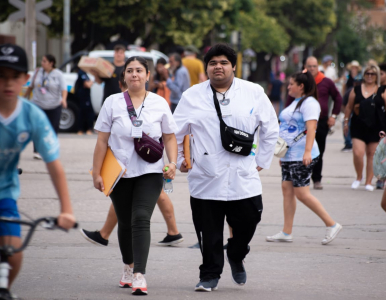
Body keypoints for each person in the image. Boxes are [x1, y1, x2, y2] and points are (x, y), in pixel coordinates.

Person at [174, 43, 279, 292]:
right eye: (212, 63)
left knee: (250, 220)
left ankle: (236, 253)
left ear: (233, 66)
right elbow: (174, 133)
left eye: (223, 62)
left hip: (244, 175)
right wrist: (180, 160)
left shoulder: (253, 92)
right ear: (206, 68)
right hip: (206, 176)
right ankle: (209, 275)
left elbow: (270, 128)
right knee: (208, 232)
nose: (217, 67)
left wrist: (261, 161)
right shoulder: (192, 96)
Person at [0, 44, 76, 295]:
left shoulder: (32, 115)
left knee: (13, 256)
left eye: (15, 76)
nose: (8, 83)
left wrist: (66, 210)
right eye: (0, 75)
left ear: (26, 80)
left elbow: (54, 164)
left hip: (3, 195)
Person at [92, 56, 178, 295]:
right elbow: (101, 141)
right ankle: (128, 267)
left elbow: (170, 137)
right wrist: (97, 173)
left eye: (139, 70)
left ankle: (140, 273)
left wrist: (172, 162)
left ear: (148, 75)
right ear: (124, 76)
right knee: (125, 221)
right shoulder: (112, 103)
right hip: (119, 173)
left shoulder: (160, 103)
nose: (134, 75)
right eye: (129, 71)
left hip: (150, 171)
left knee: (141, 217)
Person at [266, 69, 342, 245]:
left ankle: (332, 224)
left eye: (292, 84)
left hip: (302, 155)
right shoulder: (296, 102)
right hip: (290, 155)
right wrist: (283, 154)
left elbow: (311, 128)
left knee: (302, 193)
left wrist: (307, 152)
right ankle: (286, 232)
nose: (289, 86)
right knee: (287, 190)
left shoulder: (310, 103)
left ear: (301, 86)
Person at [286, 56, 342, 190]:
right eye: (309, 66)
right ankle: (299, 177)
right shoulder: (300, 82)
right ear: (305, 66)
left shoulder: (326, 81)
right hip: (300, 123)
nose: (312, 68)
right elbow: (290, 98)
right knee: (298, 149)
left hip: (320, 122)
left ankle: (317, 179)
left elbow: (338, 98)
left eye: (314, 66)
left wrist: (333, 116)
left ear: (319, 67)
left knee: (318, 151)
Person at [344, 64, 386, 191]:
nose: (369, 76)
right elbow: (349, 107)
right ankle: (358, 177)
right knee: (358, 153)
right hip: (358, 125)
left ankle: (368, 182)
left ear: (376, 76)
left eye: (372, 74)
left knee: (372, 155)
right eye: (367, 73)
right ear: (364, 75)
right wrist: (346, 122)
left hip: (376, 126)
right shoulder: (356, 89)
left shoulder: (382, 90)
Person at [25, 54, 67, 160]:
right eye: (42, 61)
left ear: (51, 63)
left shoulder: (58, 74)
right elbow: (31, 87)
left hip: (54, 105)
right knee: (37, 127)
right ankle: (37, 150)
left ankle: (50, 150)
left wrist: (64, 99)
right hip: (38, 104)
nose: (42, 63)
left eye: (44, 61)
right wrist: (24, 98)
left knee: (52, 129)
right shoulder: (37, 72)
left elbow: (64, 89)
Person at [341, 60, 362, 153]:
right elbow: (344, 86)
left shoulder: (360, 76)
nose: (354, 69)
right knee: (346, 121)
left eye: (355, 67)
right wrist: (343, 97)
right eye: (353, 67)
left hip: (358, 100)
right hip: (349, 96)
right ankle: (348, 143)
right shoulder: (348, 76)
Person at [74, 69, 95, 135]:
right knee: (86, 113)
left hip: (85, 96)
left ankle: (84, 129)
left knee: (86, 112)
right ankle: (84, 129)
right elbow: (87, 84)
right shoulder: (82, 73)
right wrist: (92, 81)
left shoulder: (85, 73)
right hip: (83, 96)